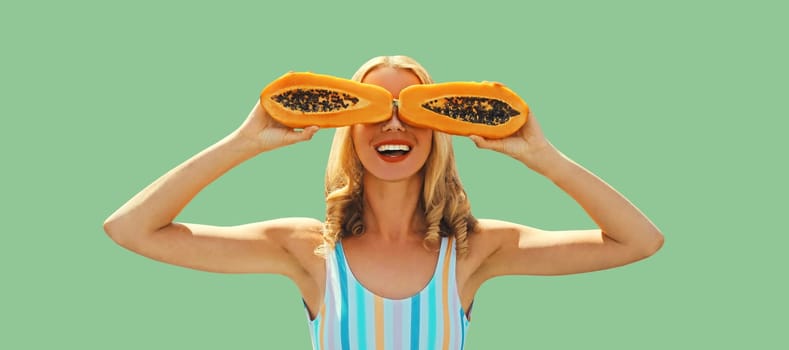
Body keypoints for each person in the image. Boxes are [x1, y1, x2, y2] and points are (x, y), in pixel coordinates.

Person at [104, 55, 664, 349]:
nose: (392, 123)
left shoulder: (474, 251)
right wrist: (245, 140)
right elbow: (132, 229)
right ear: (347, 129)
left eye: (410, 107)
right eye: (375, 109)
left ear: (436, 128)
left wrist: (542, 155)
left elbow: (639, 240)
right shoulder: (308, 250)